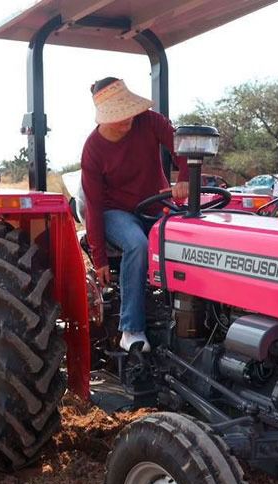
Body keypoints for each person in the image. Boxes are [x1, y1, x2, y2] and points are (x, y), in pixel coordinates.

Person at [81, 77, 190, 352]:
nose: (126, 119)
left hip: (155, 204)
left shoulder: (149, 121)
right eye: (118, 115)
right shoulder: (93, 149)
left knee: (190, 236)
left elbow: (183, 148)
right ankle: (131, 330)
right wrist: (100, 258)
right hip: (115, 212)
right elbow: (93, 206)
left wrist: (185, 178)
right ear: (104, 117)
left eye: (128, 112)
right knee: (137, 243)